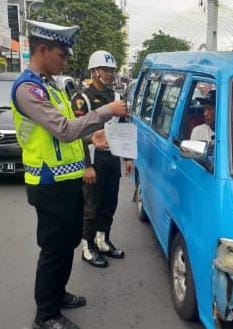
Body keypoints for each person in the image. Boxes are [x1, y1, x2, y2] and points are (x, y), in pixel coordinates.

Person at [11, 20, 128, 329]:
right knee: (54, 249)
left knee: (68, 243)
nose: (65, 61)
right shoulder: (28, 89)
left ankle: (58, 294)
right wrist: (106, 112)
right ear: (42, 49)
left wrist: (92, 138)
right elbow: (63, 130)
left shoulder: (51, 86)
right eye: (61, 55)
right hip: (48, 183)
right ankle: (45, 314)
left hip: (67, 181)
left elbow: (69, 132)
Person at [71, 50, 133, 268]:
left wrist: (127, 157)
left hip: (111, 157)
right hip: (93, 159)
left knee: (109, 203)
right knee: (91, 206)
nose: (109, 74)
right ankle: (87, 247)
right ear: (94, 71)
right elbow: (76, 135)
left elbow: (123, 128)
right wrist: (86, 166)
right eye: (105, 70)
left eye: (111, 70)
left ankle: (102, 240)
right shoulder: (82, 99)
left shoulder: (114, 97)